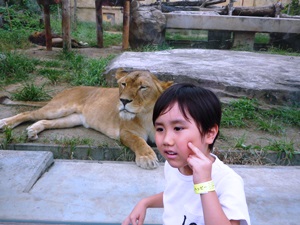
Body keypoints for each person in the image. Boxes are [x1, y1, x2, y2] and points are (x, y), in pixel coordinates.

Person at [122, 83, 251, 225]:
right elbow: (177, 196)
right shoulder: (173, 165)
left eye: (178, 128)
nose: (166, 140)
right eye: (160, 129)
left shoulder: (227, 181)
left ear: (209, 133)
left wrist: (205, 184)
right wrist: (145, 203)